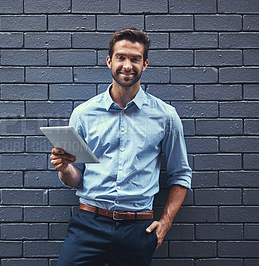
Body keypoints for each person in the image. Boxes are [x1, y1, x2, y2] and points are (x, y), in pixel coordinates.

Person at [50, 28, 192, 266]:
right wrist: (65, 169)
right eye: (121, 57)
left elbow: (180, 174)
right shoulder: (84, 114)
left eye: (135, 59)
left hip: (138, 230)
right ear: (109, 61)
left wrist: (164, 224)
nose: (128, 65)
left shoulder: (166, 116)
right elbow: (76, 179)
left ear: (145, 64)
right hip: (89, 223)